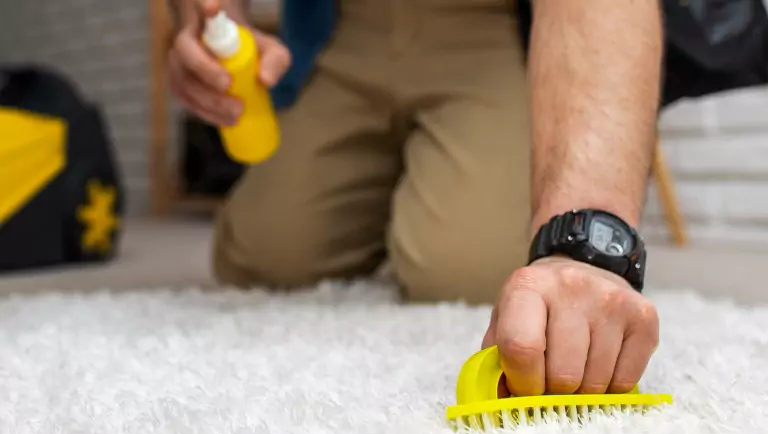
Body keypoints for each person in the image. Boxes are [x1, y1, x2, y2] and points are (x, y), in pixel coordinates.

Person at [166, 0, 662, 398]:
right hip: (339, 33)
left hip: (485, 33)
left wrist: (585, 241)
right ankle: (403, 187)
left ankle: (434, 187)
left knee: (460, 268)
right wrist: (208, 20)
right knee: (263, 253)